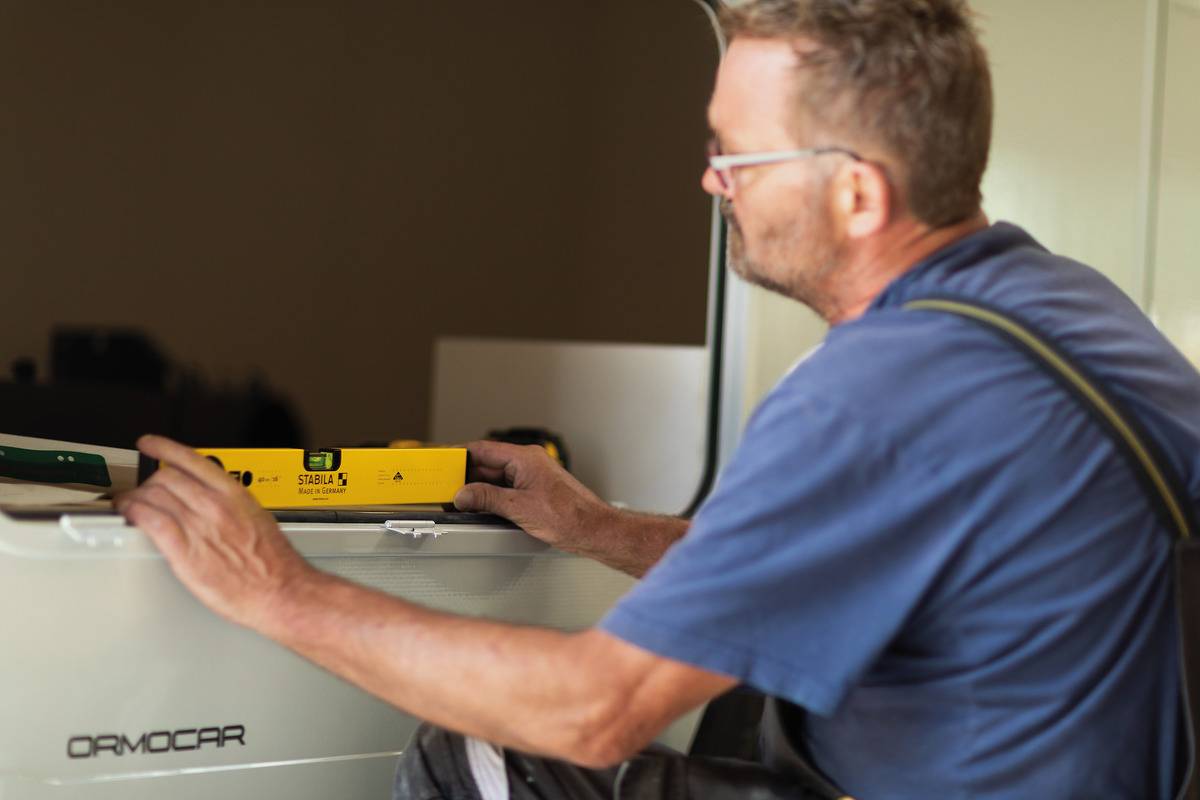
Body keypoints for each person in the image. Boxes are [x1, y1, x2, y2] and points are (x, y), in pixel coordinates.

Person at [116, 0, 1200, 797]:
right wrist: (595, 527)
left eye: (735, 154)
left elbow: (594, 710)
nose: (711, 180)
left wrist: (276, 590)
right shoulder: (1069, 306)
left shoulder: (873, 395)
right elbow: (842, 551)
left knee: (489, 754)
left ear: (858, 191)